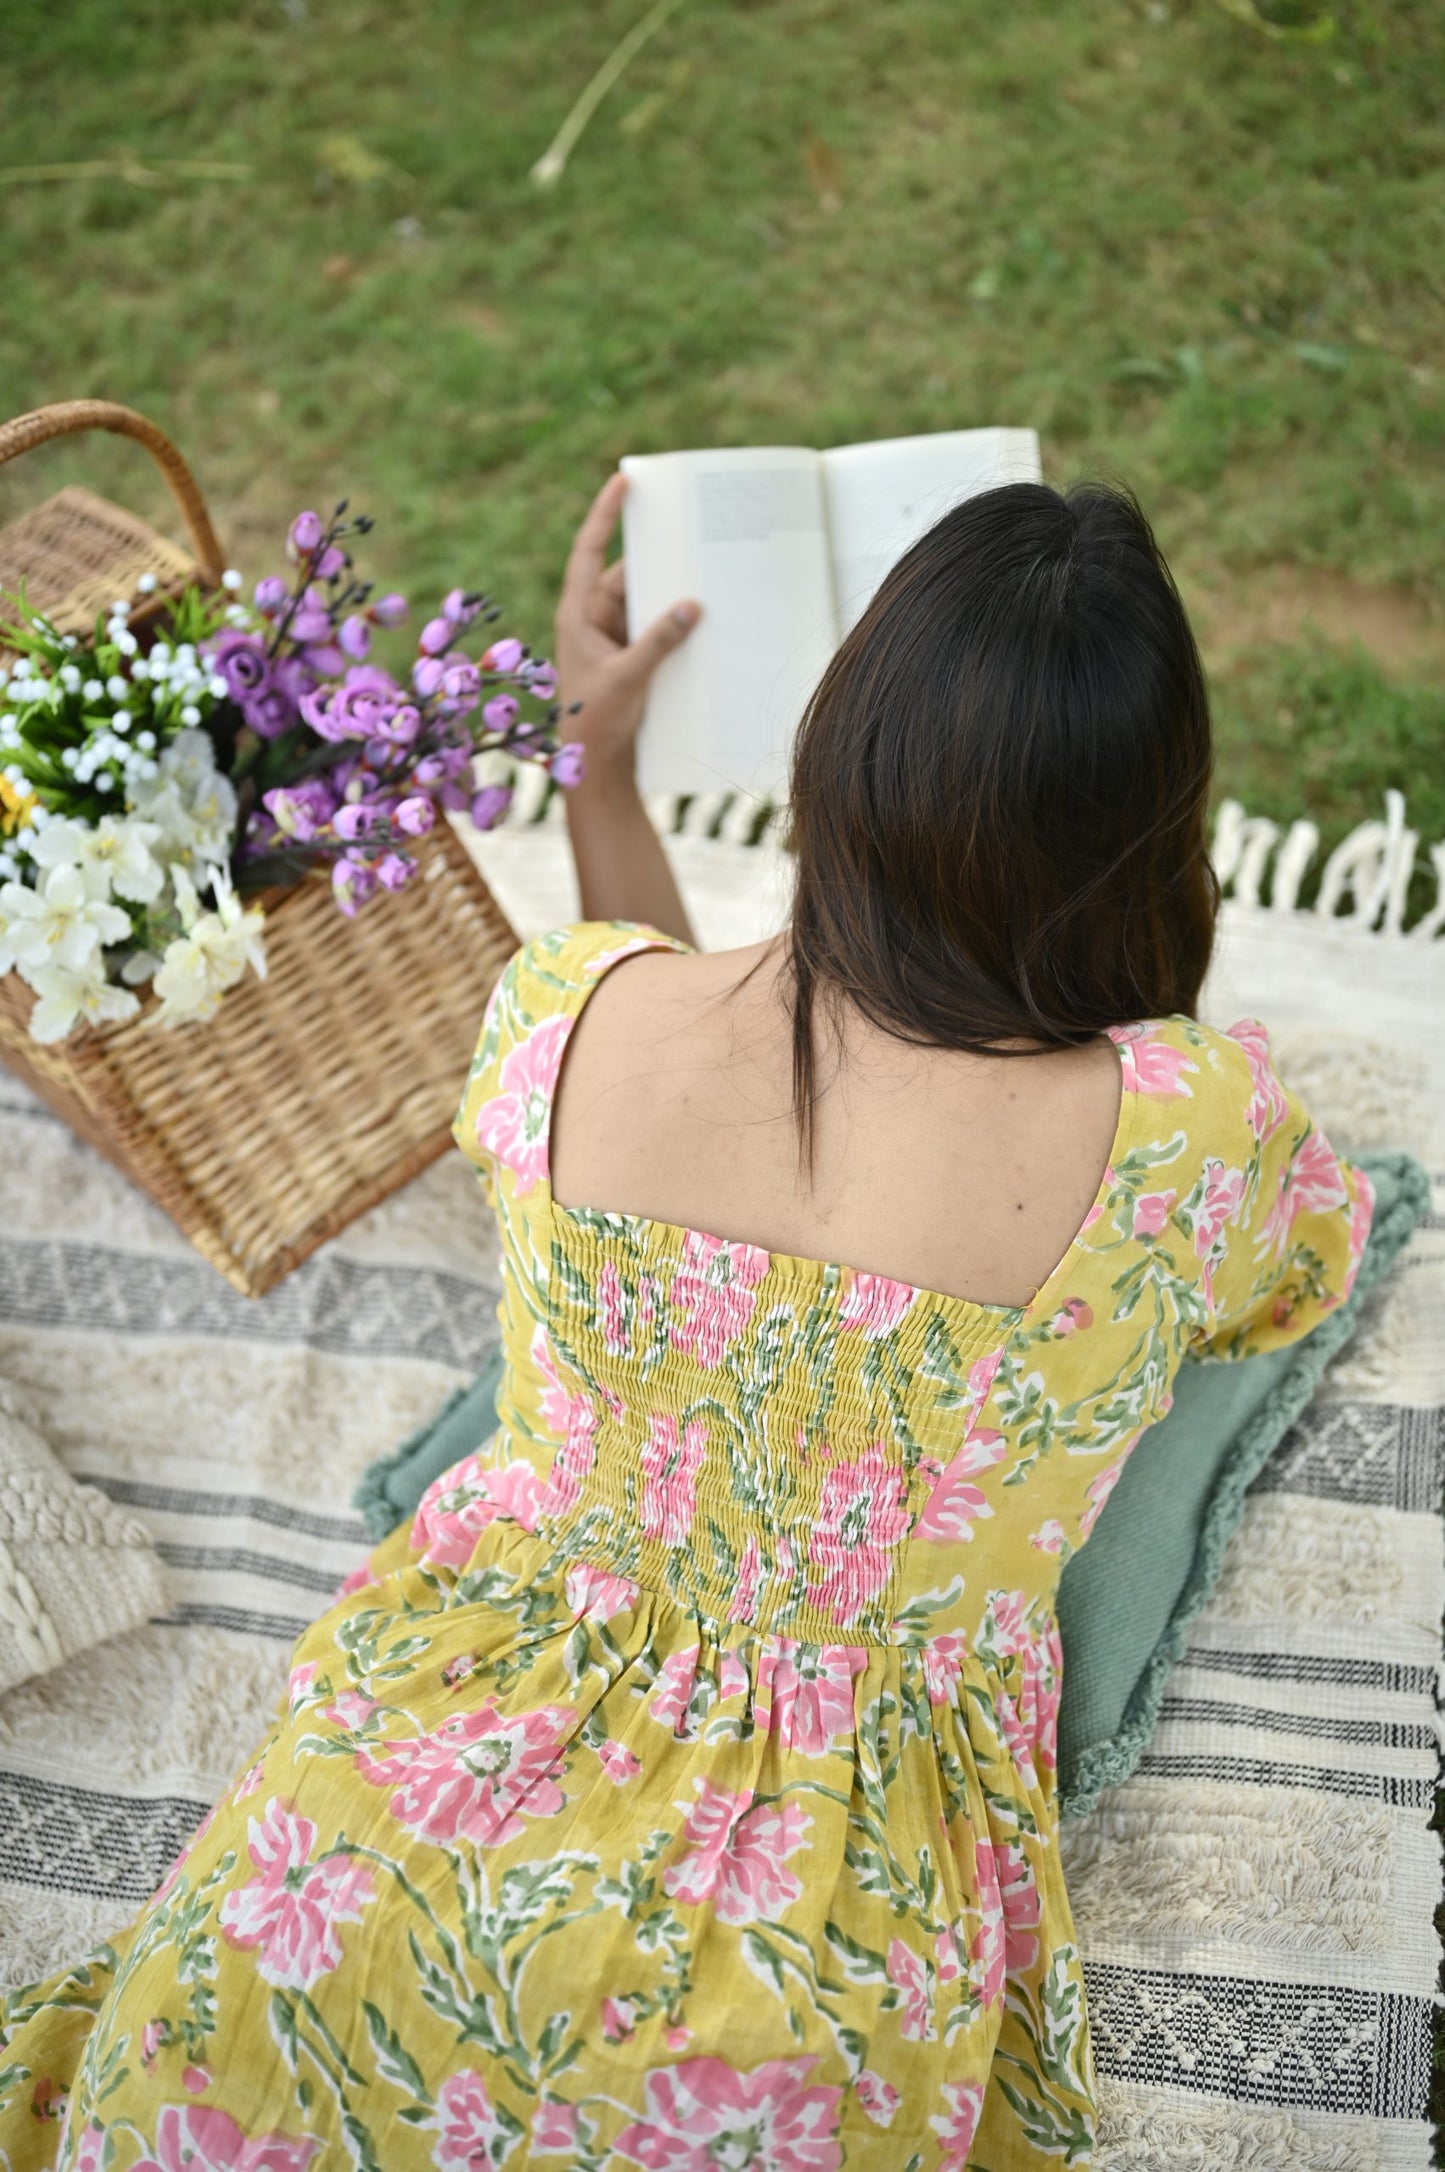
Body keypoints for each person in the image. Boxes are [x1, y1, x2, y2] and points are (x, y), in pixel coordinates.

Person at [2, 475, 1371, 2171]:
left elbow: (649, 989)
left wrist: (604, 761)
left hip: (392, 1834)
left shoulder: (564, 1016)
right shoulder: (1191, 1135)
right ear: (1152, 830)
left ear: (831, 770)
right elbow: (1292, 1278)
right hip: (808, 1937)